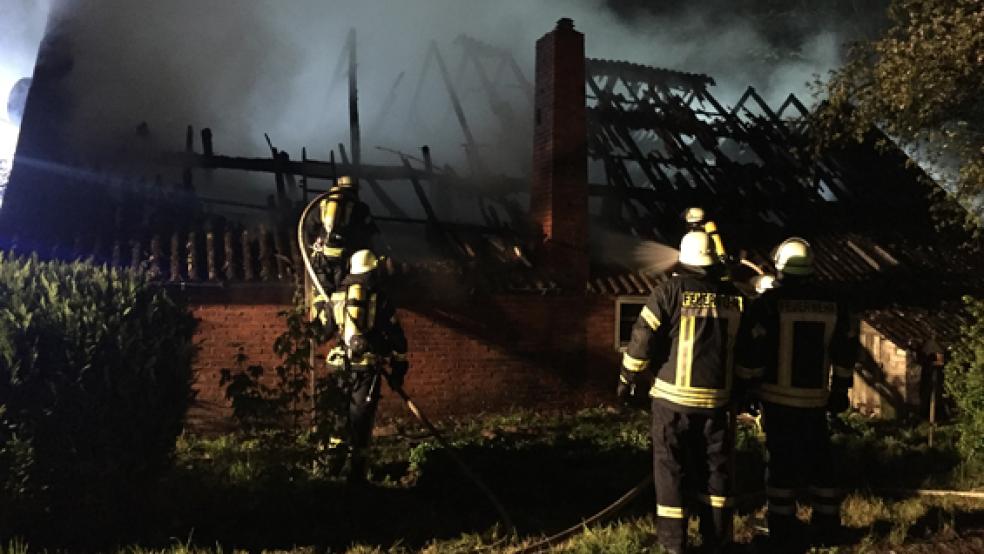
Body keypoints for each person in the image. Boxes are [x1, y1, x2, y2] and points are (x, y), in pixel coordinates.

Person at [618, 229, 745, 554]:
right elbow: (745, 349)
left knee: (670, 468)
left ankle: (674, 543)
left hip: (672, 401)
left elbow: (643, 336)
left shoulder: (669, 291)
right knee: (715, 470)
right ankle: (717, 539)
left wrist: (627, 378)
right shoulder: (734, 296)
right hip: (717, 402)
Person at [735, 237, 858, 552]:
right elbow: (845, 351)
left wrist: (746, 387)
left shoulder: (768, 304)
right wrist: (841, 389)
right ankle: (828, 526)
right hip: (816, 400)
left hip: (777, 399)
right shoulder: (834, 304)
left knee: (781, 463)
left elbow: (752, 351)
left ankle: (782, 527)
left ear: (780, 267)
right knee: (820, 461)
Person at [321, 248, 408, 484]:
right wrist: (398, 369)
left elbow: (322, 334)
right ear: (373, 270)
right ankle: (356, 476)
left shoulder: (337, 297)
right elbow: (398, 339)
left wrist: (321, 306)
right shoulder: (380, 299)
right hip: (366, 369)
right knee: (360, 421)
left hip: (338, 366)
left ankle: (330, 470)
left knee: (339, 417)